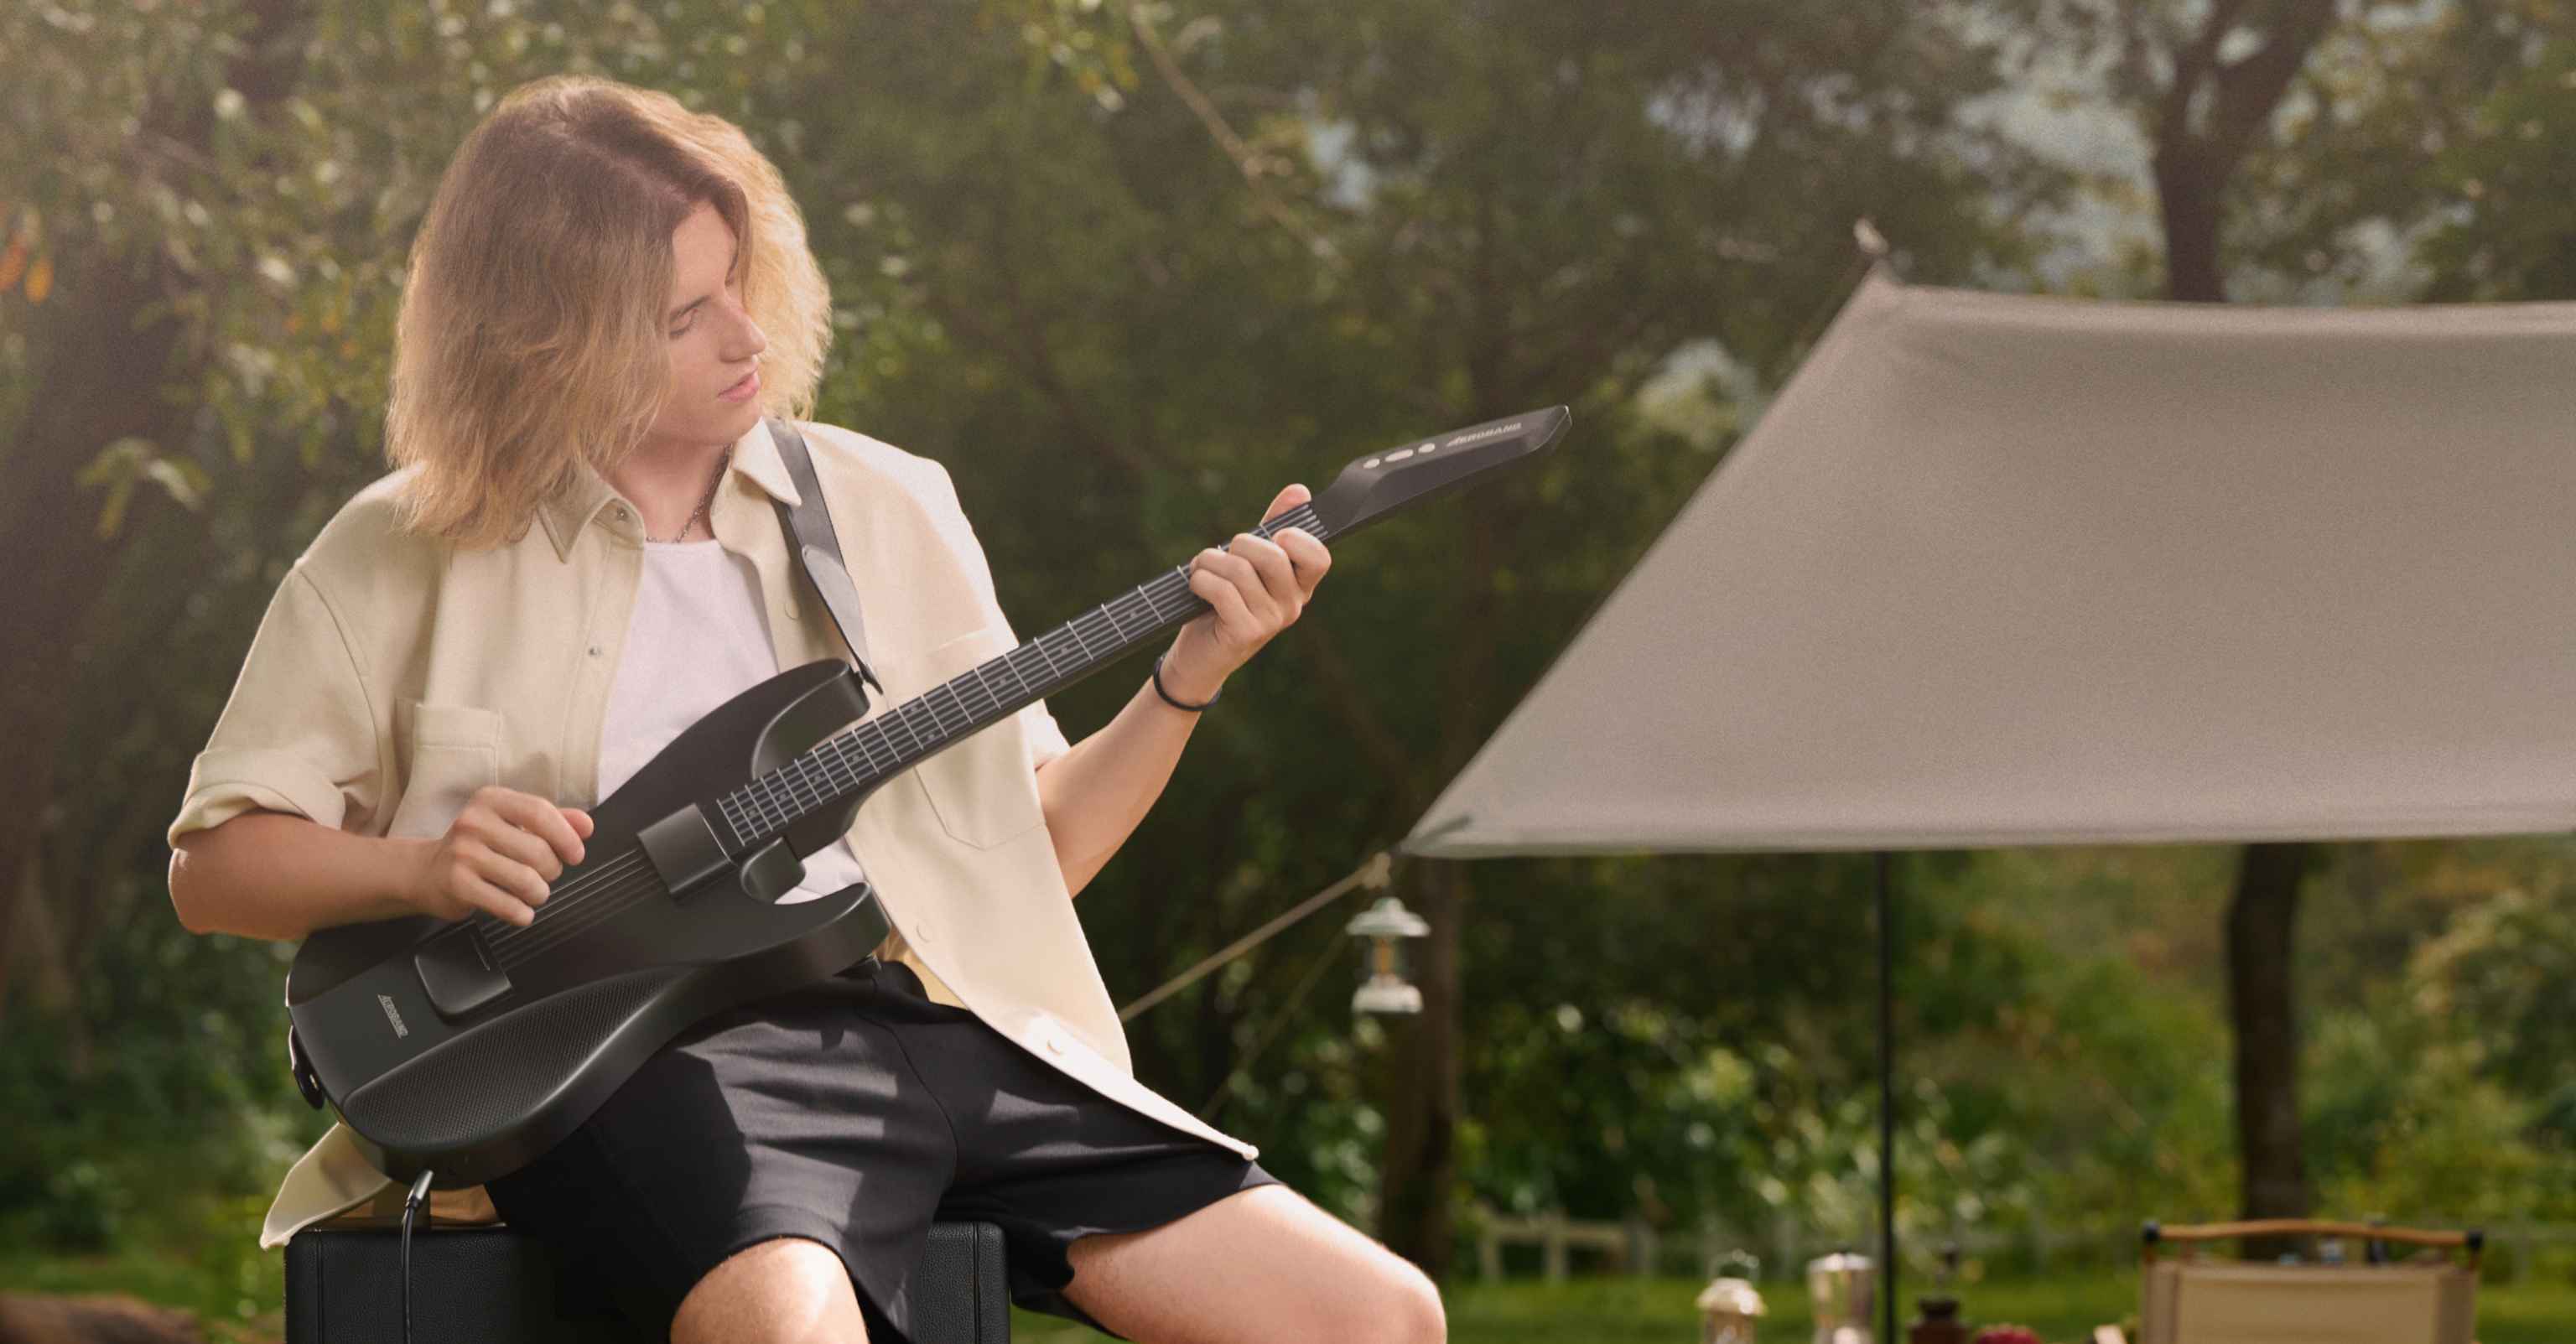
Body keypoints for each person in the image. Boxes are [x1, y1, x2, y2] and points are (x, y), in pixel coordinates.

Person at [164, 73, 1443, 1344]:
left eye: (738, 282)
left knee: (1380, 1319)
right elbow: (215, 872)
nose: (746, 338)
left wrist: (1189, 677)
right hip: (642, 1073)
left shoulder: (889, 505)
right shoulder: (401, 546)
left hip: (940, 1034)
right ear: (546, 335)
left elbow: (1034, 853)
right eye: (684, 317)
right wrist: (422, 867)